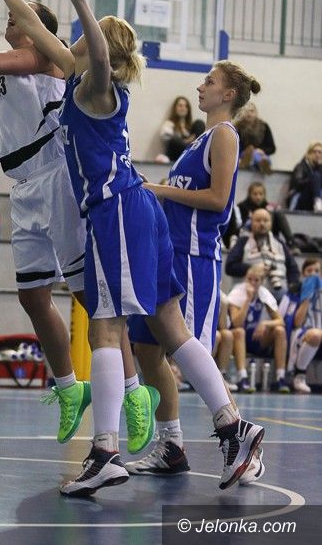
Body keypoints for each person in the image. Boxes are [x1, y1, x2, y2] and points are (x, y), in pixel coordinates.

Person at [0, 0, 264, 496]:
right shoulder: (76, 75)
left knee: (106, 328)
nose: (72, 41)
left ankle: (105, 451)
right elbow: (35, 27)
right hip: (139, 211)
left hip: (117, 210)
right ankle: (233, 425)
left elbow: (95, 53)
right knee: (169, 327)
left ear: (97, 44)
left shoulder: (96, 84)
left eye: (83, 36)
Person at [0, 0, 156, 454]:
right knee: (32, 296)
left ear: (38, 30)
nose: (10, 19)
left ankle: (135, 390)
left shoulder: (45, 60)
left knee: (87, 295)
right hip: (23, 186)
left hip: (57, 177)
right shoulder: (4, 64)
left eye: (19, 16)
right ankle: (69, 387)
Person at [126, 60, 265, 484]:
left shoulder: (225, 135)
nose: (200, 87)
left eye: (210, 81)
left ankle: (239, 438)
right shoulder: (198, 140)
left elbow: (219, 200)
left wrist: (160, 189)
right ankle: (171, 444)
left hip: (193, 256)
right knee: (145, 349)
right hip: (167, 254)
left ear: (228, 94)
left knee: (191, 352)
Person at [228, 264, 290, 393]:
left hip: (257, 337)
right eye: (249, 279)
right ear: (245, 278)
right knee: (239, 332)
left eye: (256, 280)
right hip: (238, 339)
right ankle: (243, 378)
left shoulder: (264, 293)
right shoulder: (237, 292)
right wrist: (248, 300)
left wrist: (265, 324)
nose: (252, 283)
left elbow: (280, 321)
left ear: (261, 282)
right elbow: (236, 323)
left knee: (280, 331)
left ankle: (280, 377)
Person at [226, 208, 300, 303]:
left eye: (265, 221)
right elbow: (230, 266)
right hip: (248, 296)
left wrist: (292, 285)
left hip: (279, 295)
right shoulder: (242, 242)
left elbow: (293, 268)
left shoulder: (280, 243)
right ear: (251, 223)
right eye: (258, 220)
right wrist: (253, 268)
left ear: (271, 223)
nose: (262, 224)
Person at [280, 258, 321, 393]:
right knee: (315, 335)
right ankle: (299, 375)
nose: (313, 275)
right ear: (303, 274)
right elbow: (297, 323)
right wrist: (306, 297)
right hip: (302, 333)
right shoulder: (294, 292)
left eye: (317, 271)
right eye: (309, 271)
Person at [236, 181, 296, 250]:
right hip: (250, 232)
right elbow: (240, 225)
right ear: (249, 194)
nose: (258, 197)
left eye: (260, 194)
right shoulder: (242, 206)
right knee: (269, 213)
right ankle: (265, 242)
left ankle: (291, 242)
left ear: (264, 195)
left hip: (270, 232)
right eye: (255, 194)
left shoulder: (268, 206)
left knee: (278, 213)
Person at [158, 96, 205, 162]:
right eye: (180, 106)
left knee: (199, 123)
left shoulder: (191, 126)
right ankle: (191, 149)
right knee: (174, 140)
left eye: (186, 106)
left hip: (190, 155)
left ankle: (195, 152)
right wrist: (188, 141)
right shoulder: (169, 124)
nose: (183, 108)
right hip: (176, 156)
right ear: (175, 108)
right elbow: (169, 141)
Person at [234, 102, 275, 174]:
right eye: (246, 111)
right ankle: (261, 164)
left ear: (256, 112)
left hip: (259, 154)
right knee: (254, 155)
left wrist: (262, 150)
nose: (249, 114)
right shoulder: (237, 127)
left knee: (258, 156)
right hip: (243, 155)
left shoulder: (264, 126)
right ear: (241, 113)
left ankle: (263, 164)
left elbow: (271, 148)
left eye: (251, 111)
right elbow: (235, 147)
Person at [287, 141, 322, 212]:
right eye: (314, 152)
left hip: (312, 200)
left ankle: (318, 202)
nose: (317, 155)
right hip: (300, 199)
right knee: (315, 176)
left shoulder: (320, 168)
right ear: (308, 153)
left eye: (320, 152)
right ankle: (318, 202)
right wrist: (311, 180)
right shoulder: (301, 166)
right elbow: (298, 184)